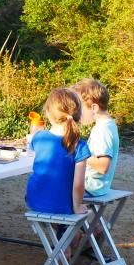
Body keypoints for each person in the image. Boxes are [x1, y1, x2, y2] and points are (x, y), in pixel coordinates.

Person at [24, 88, 90, 217]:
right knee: (83, 209)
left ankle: (62, 232)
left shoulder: (38, 137)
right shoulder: (79, 145)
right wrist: (77, 207)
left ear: (48, 113)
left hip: (34, 201)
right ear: (77, 115)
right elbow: (78, 184)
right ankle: (68, 233)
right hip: (62, 204)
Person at [72, 77, 119, 199]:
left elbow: (103, 166)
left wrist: (77, 151)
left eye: (79, 109)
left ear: (94, 108)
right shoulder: (108, 125)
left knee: (46, 189)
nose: (76, 113)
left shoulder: (103, 130)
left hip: (91, 187)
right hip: (95, 186)